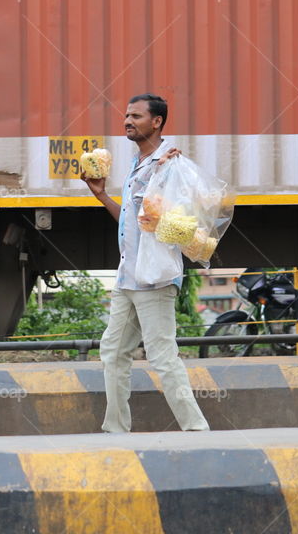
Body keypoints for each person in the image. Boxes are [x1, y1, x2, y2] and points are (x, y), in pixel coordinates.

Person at [82, 94, 210, 432]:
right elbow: (130, 221)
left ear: (157, 122)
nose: (127, 121)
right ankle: (115, 429)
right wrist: (101, 195)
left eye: (136, 116)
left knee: (162, 355)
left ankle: (196, 429)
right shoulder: (137, 164)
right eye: (126, 115)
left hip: (154, 278)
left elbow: (178, 223)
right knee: (113, 352)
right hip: (128, 276)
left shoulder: (171, 163)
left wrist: (161, 174)